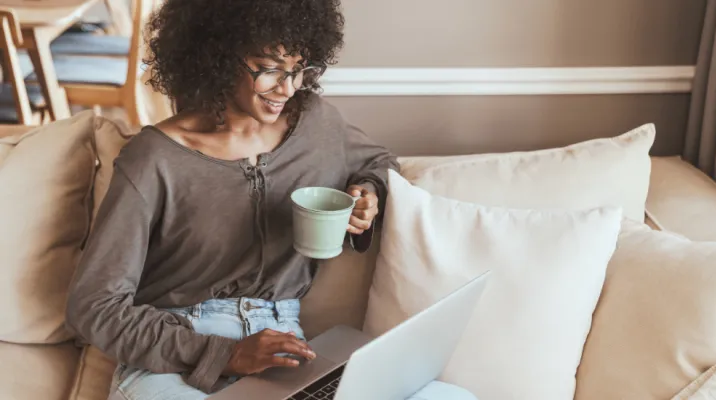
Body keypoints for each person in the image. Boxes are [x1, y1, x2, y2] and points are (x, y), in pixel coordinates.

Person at [65, 1, 477, 399]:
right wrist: (224, 353)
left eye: (300, 70)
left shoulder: (314, 124)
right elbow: (94, 306)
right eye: (269, 70)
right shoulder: (155, 158)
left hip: (284, 350)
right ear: (219, 56)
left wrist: (369, 194)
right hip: (175, 359)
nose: (288, 87)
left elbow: (379, 163)